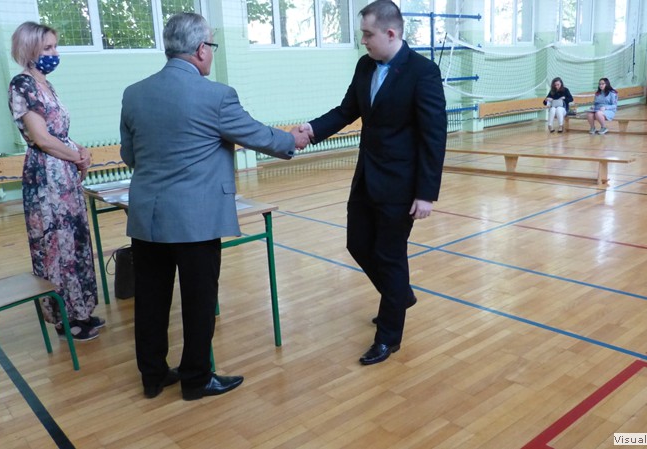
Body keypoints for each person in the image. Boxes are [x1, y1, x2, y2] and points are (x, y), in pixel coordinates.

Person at [120, 12, 309, 401]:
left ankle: (153, 377)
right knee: (199, 300)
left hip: (146, 217)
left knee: (151, 299)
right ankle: (196, 379)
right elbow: (257, 135)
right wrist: (293, 139)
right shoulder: (216, 96)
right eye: (211, 44)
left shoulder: (134, 93)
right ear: (201, 49)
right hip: (196, 219)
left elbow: (130, 156)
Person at [299, 0, 446, 366]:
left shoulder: (423, 72)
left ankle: (388, 337)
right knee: (357, 244)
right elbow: (347, 111)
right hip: (366, 177)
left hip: (401, 185)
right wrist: (312, 130)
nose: (363, 41)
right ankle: (399, 296)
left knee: (390, 255)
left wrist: (426, 193)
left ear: (390, 33)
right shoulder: (365, 66)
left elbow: (434, 136)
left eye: (367, 34)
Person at [8, 22, 103, 341]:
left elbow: (59, 133)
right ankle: (65, 318)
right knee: (56, 246)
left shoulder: (46, 84)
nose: (54, 53)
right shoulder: (22, 84)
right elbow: (42, 138)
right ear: (30, 49)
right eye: (47, 48)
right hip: (46, 178)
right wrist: (76, 157)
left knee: (74, 242)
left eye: (54, 46)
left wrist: (81, 150)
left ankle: (81, 310)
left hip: (63, 177)